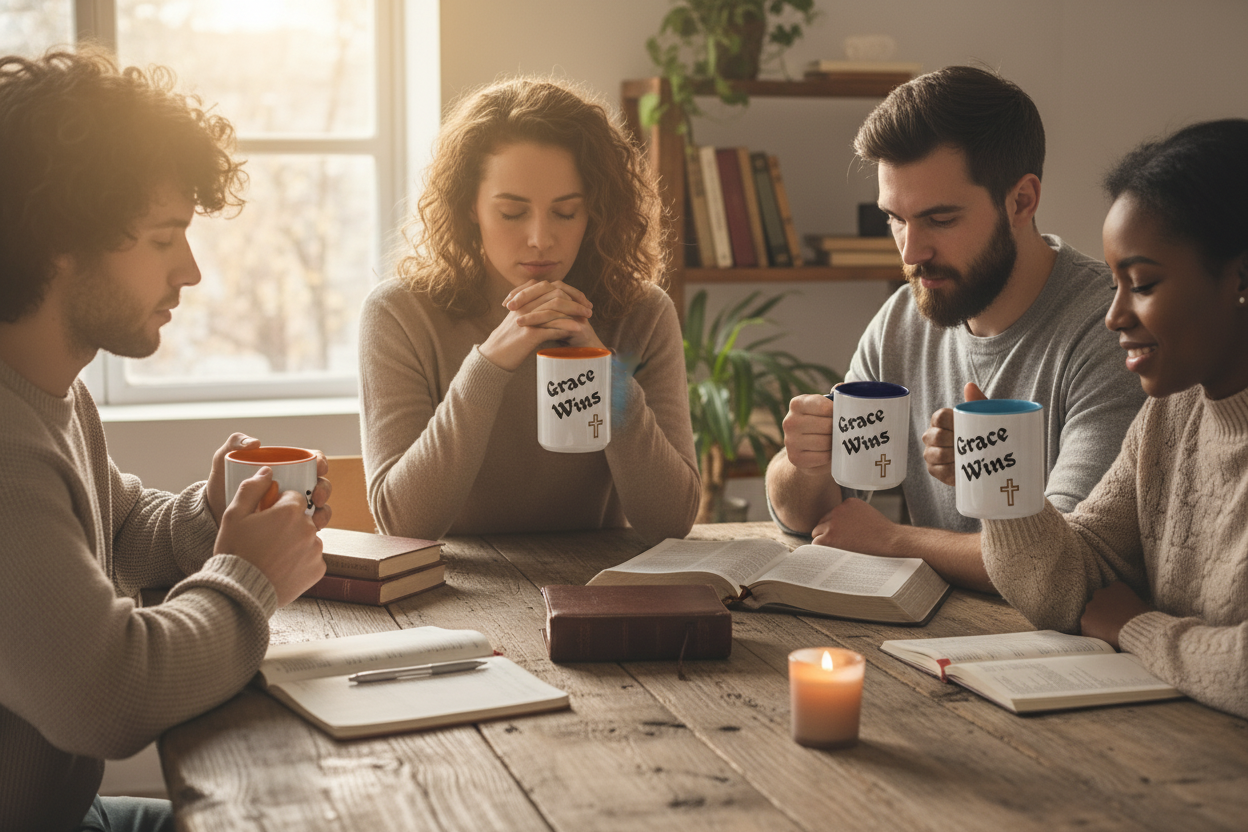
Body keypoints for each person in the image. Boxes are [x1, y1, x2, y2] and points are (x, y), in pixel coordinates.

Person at [0, 50, 332, 831]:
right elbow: (108, 694)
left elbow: (113, 530)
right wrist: (250, 576)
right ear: (60, 241)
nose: (191, 271)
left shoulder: (52, 391)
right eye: (163, 238)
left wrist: (210, 511)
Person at [765, 66, 1146, 591]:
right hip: (935, 641)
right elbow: (811, 517)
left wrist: (895, 542)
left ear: (1021, 201)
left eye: (939, 220)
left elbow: (1069, 560)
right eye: (895, 218)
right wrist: (802, 463)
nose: (910, 252)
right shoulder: (902, 320)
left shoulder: (1113, 328)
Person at [980, 119, 1248, 718]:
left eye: (1143, 283)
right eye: (1114, 285)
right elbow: (1074, 585)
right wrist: (1004, 479)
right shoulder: (1170, 414)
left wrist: (1138, 629)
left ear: (1241, 277)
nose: (1114, 316)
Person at [359, 78, 699, 543]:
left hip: (602, 589)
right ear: (469, 208)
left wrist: (605, 372)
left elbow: (670, 522)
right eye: (512, 213)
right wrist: (489, 364)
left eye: (566, 212)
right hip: (453, 595)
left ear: (596, 212)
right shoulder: (399, 313)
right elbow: (402, 523)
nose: (540, 238)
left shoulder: (640, 312)